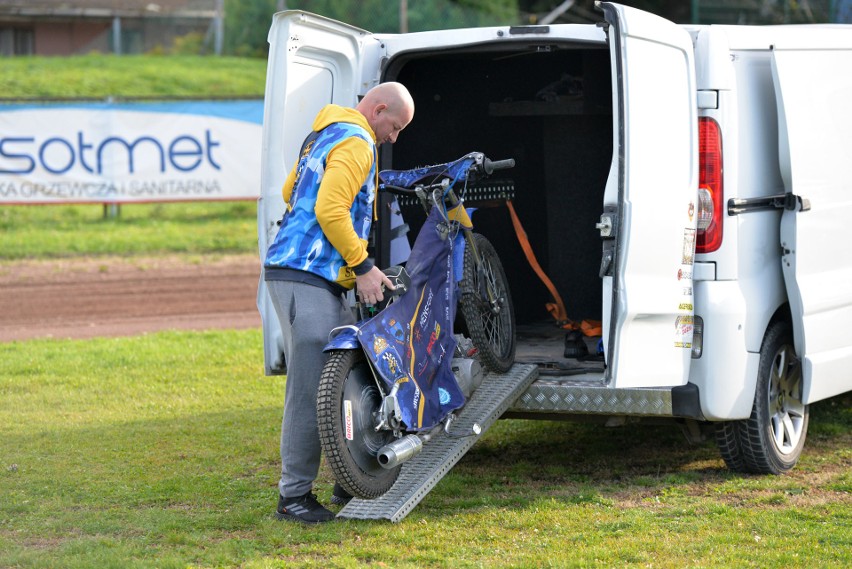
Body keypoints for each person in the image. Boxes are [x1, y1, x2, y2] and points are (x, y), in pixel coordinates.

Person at [263, 82, 415, 524]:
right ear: (380, 109)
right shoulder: (358, 140)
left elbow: (294, 190)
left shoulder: (324, 133)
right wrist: (363, 265)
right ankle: (293, 498)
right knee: (311, 391)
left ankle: (344, 475)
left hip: (304, 274)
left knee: (344, 379)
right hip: (306, 276)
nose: (394, 137)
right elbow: (330, 208)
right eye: (396, 126)